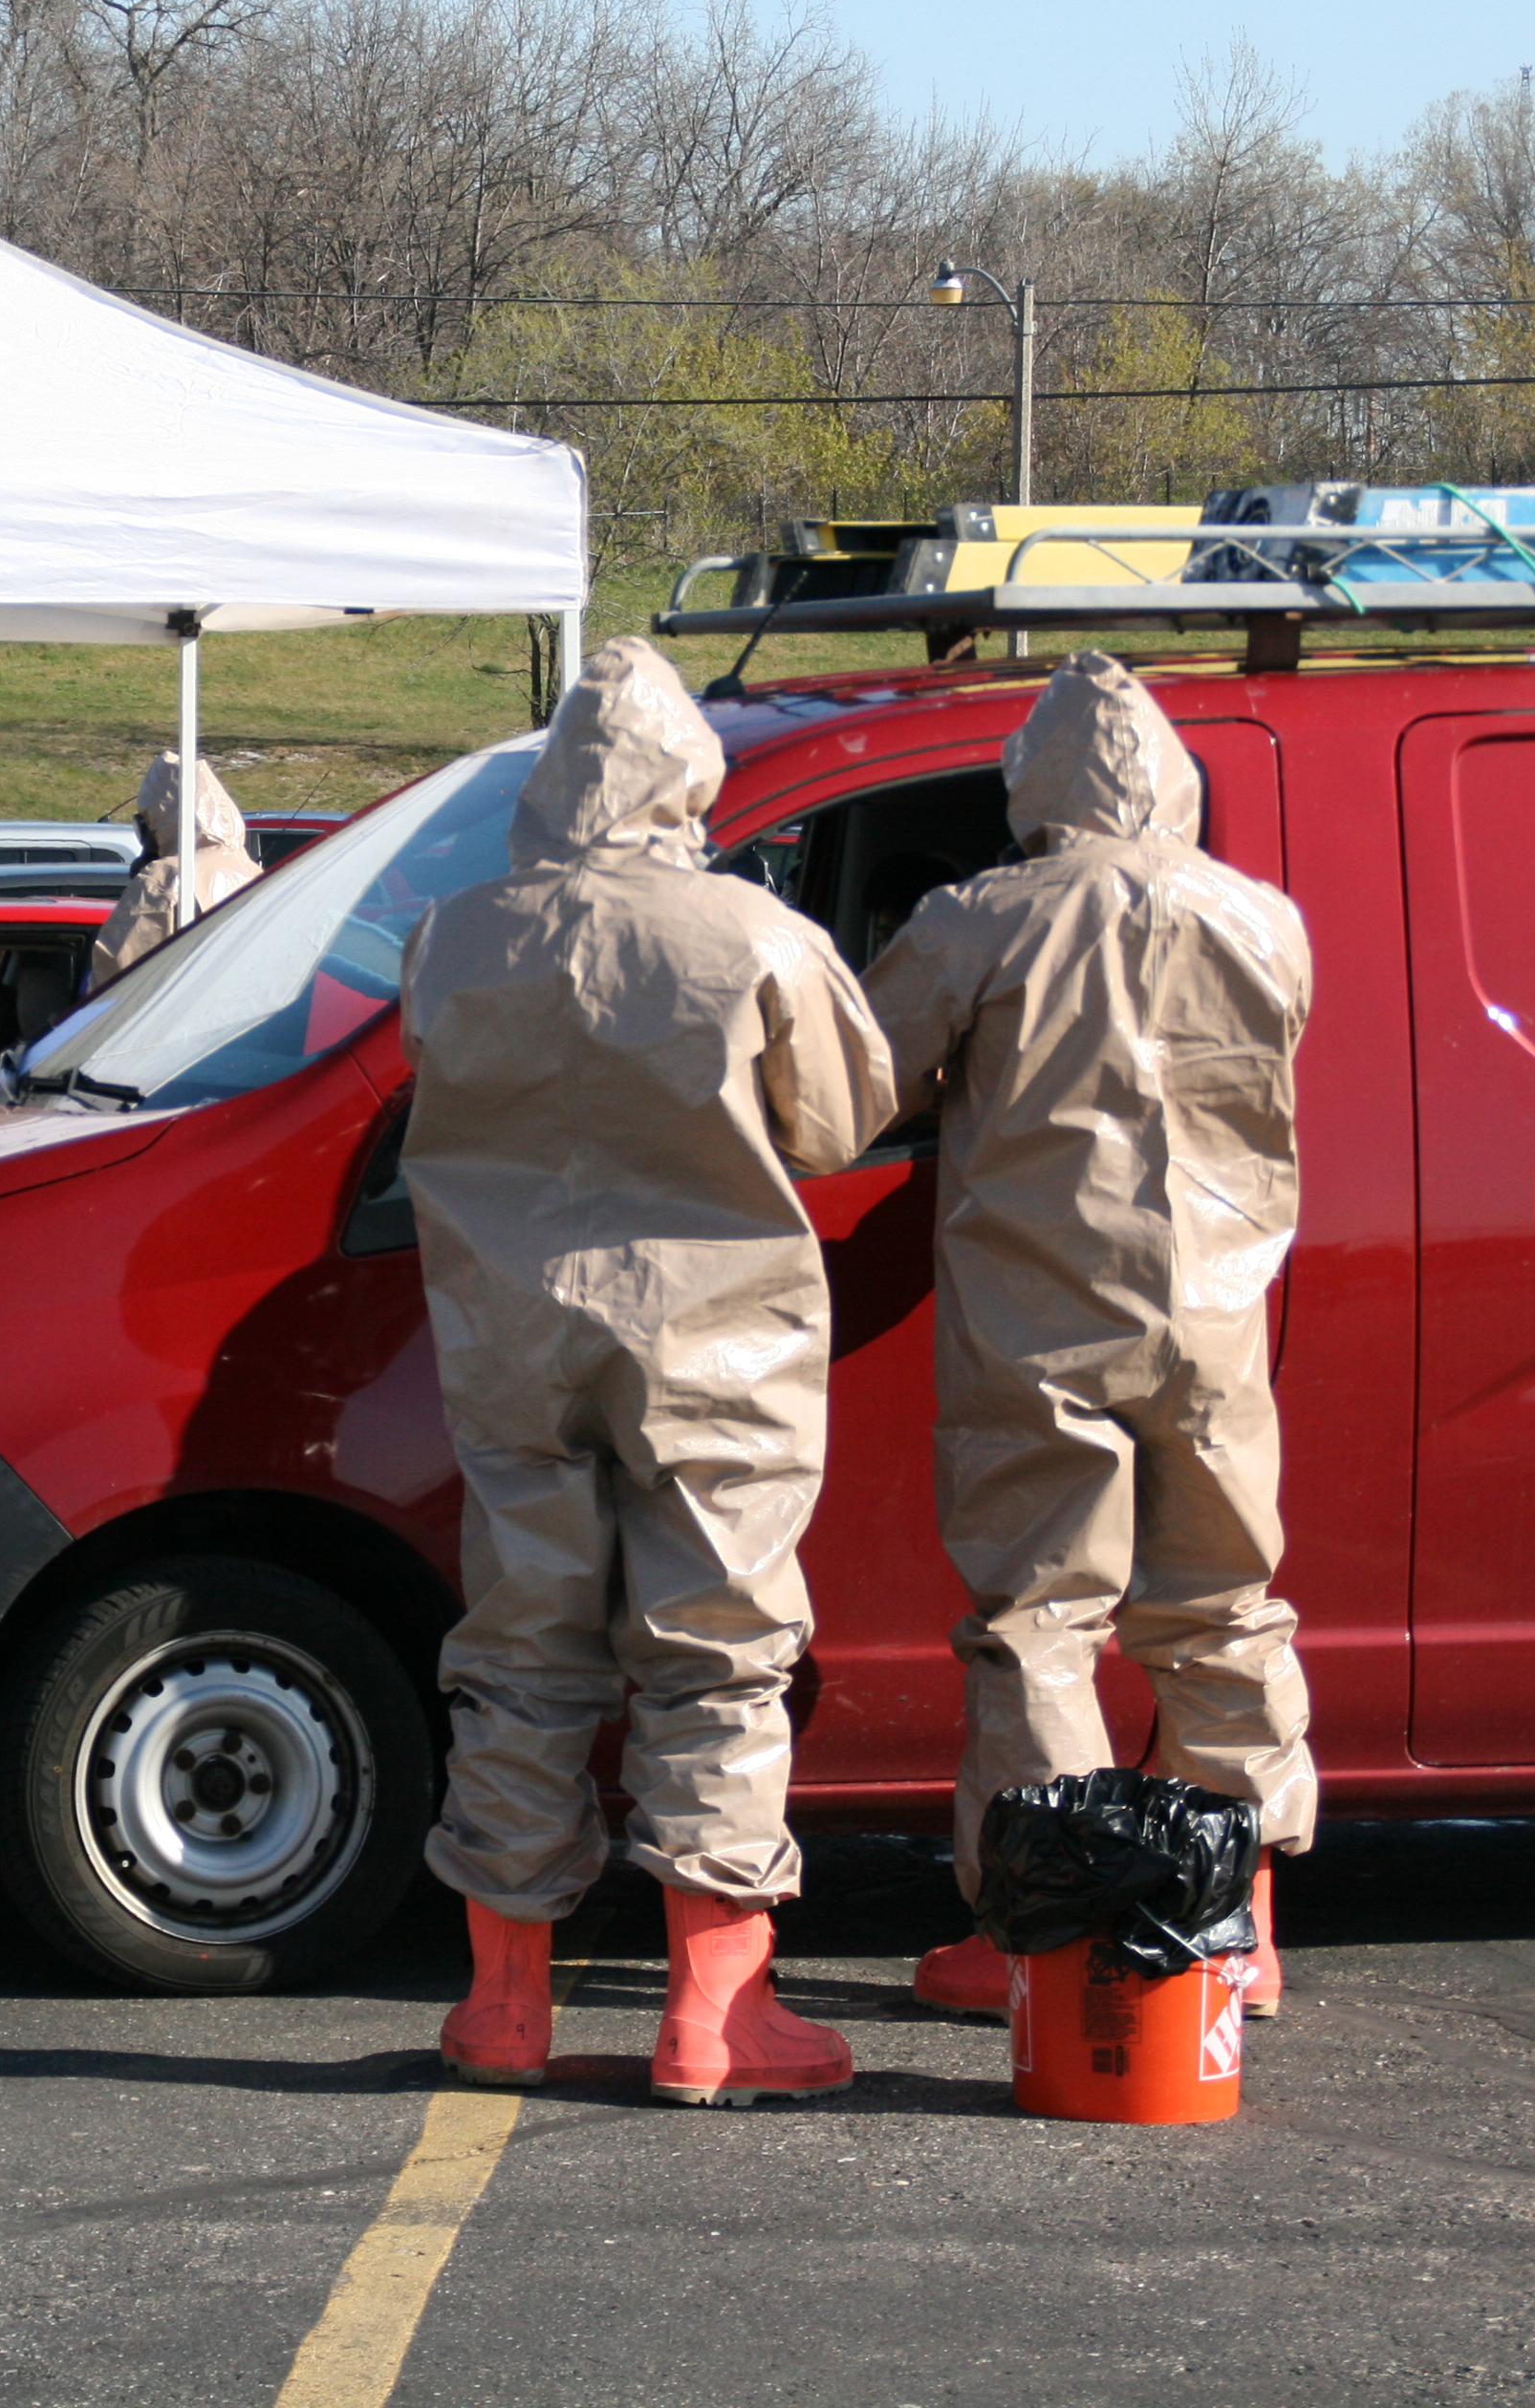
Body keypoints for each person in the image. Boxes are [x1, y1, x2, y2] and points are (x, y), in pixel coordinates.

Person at [400, 635, 896, 2106]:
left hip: (508, 1335)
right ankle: (711, 2017)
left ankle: (501, 2008)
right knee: (718, 1656)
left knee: (518, 1651)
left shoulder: (454, 933)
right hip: (715, 1340)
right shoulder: (748, 934)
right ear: (690, 778)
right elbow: (843, 1121)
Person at [860, 651, 1317, 2023]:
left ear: (1034, 784)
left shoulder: (980, 919)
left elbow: (852, 1087)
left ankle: (1046, 1947)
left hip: (1040, 1315)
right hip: (1220, 1314)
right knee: (1224, 1612)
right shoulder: (1264, 920)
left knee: (1043, 1624)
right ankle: (1232, 1931)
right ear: (1172, 775)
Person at [86, 751, 262, 993]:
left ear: (159, 822)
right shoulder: (252, 872)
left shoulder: (165, 877)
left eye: (142, 824)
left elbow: (121, 972)